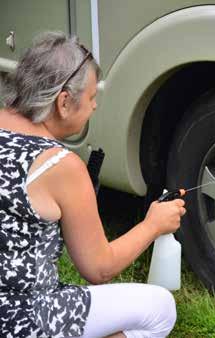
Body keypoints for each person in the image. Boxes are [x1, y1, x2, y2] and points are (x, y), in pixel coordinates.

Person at [0, 31, 186, 337]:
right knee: (160, 308)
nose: (95, 106)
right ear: (63, 102)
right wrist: (153, 225)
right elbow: (98, 268)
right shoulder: (57, 165)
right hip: (23, 319)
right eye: (91, 97)